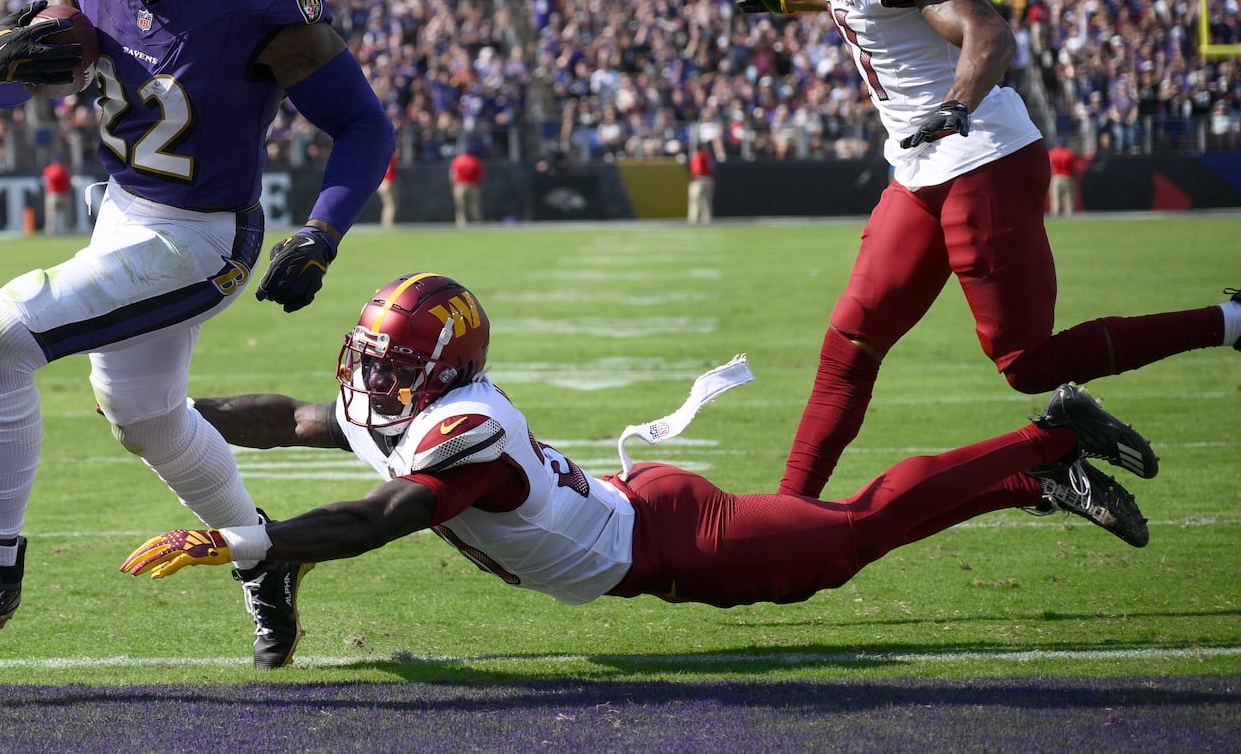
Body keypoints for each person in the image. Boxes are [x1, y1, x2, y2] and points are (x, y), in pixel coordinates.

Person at [0, 0, 395, 669]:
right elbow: (48, 61)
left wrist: (323, 231)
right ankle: (262, 553)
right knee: (146, 417)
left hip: (203, 236)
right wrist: (3, 61)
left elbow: (362, 125)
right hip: (124, 212)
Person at [120, 274, 1156, 654]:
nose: (370, 379)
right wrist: (161, 406)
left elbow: (383, 517)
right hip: (630, 513)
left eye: (396, 366)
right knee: (838, 542)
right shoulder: (398, 400)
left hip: (666, 538)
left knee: (844, 539)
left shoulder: (463, 427)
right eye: (374, 359)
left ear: (441, 373)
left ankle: (1047, 440)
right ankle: (1036, 476)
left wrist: (242, 539)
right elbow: (295, 416)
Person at [720, 0, 1241, 499]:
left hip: (978, 158)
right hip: (921, 166)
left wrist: (955, 106)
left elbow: (986, 32)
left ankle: (1231, 322)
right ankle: (788, 510)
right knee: (850, 342)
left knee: (1025, 361)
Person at [448, 146, 484, 227]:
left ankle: (461, 224)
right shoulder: (474, 160)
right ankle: (477, 224)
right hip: (472, 185)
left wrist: (453, 186)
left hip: (459, 186)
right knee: (474, 207)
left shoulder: (457, 160)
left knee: (460, 207)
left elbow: (452, 175)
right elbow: (480, 175)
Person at [686, 140, 719, 224]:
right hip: (708, 179)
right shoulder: (707, 156)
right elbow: (712, 167)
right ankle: (707, 219)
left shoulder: (698, 156)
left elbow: (697, 169)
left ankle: (693, 220)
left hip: (699, 180)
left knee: (695, 201)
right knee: (706, 201)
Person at [1047, 136, 1079, 217]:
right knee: (1069, 202)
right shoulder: (1069, 153)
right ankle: (1069, 219)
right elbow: (1073, 167)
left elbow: (1049, 167)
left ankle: (1056, 218)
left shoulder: (1052, 153)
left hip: (1056, 178)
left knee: (1056, 201)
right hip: (1067, 177)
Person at [41, 155, 72, 235]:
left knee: (51, 215)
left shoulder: (48, 170)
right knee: (66, 215)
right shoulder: (64, 170)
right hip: (64, 195)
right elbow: (68, 182)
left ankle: (51, 232)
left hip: (52, 195)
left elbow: (46, 181)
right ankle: (67, 231)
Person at [377, 154, 398, 229]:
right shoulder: (390, 158)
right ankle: (388, 225)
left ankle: (385, 224)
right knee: (390, 206)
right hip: (387, 182)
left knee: (387, 205)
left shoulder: (382, 158)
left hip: (381, 183)